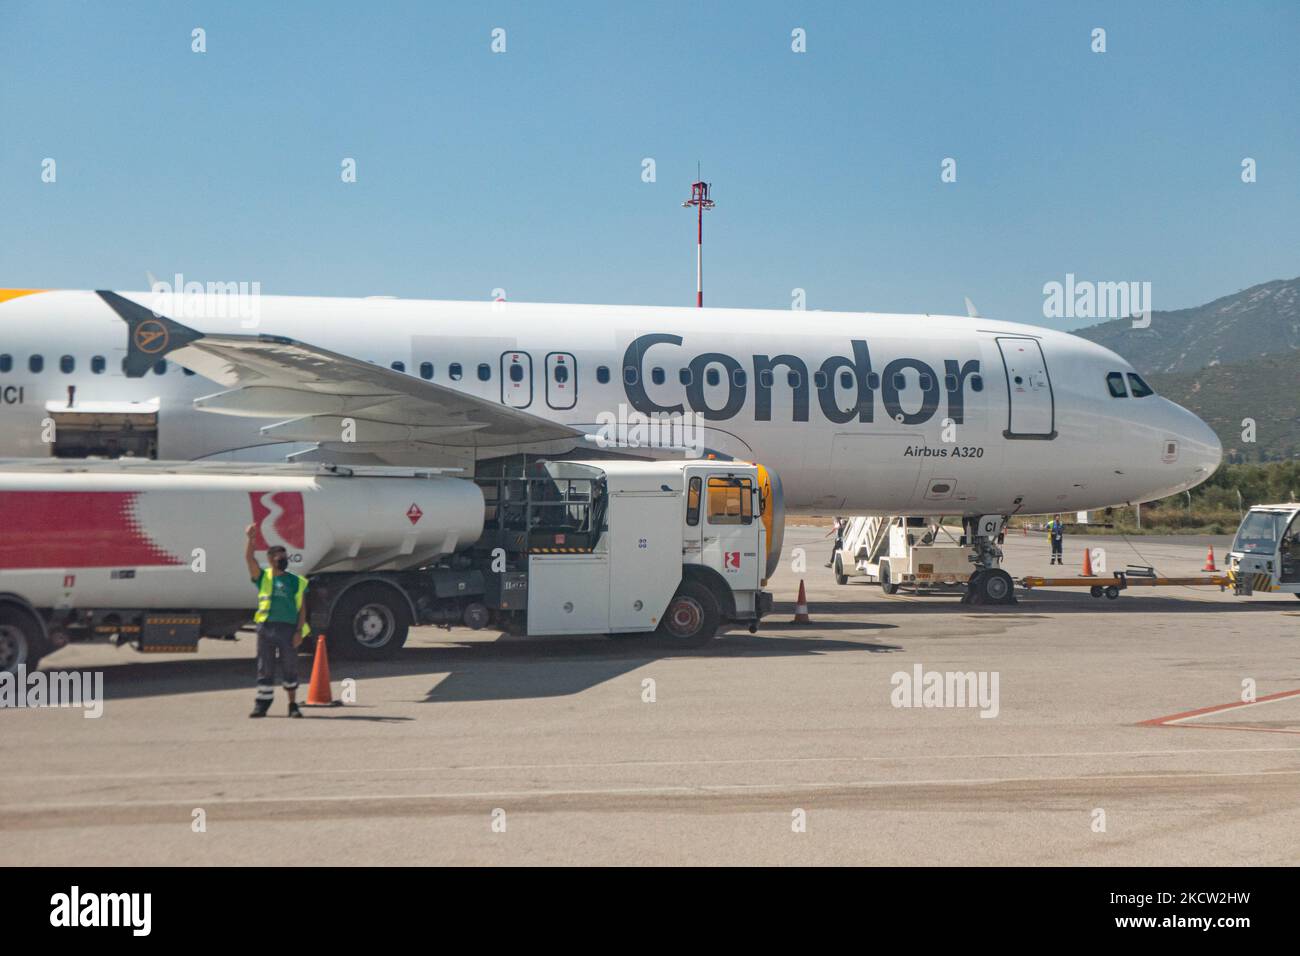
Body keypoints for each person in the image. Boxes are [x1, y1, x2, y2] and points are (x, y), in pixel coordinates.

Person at [244, 524, 310, 718]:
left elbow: (302, 609)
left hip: (288, 630)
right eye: (279, 557)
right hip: (266, 628)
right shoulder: (263, 577)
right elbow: (249, 559)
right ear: (271, 560)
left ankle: (292, 705)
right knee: (265, 667)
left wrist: (299, 631)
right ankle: (262, 704)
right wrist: (251, 539)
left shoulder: (296, 581)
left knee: (290, 666)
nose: (283, 560)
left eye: (285, 556)